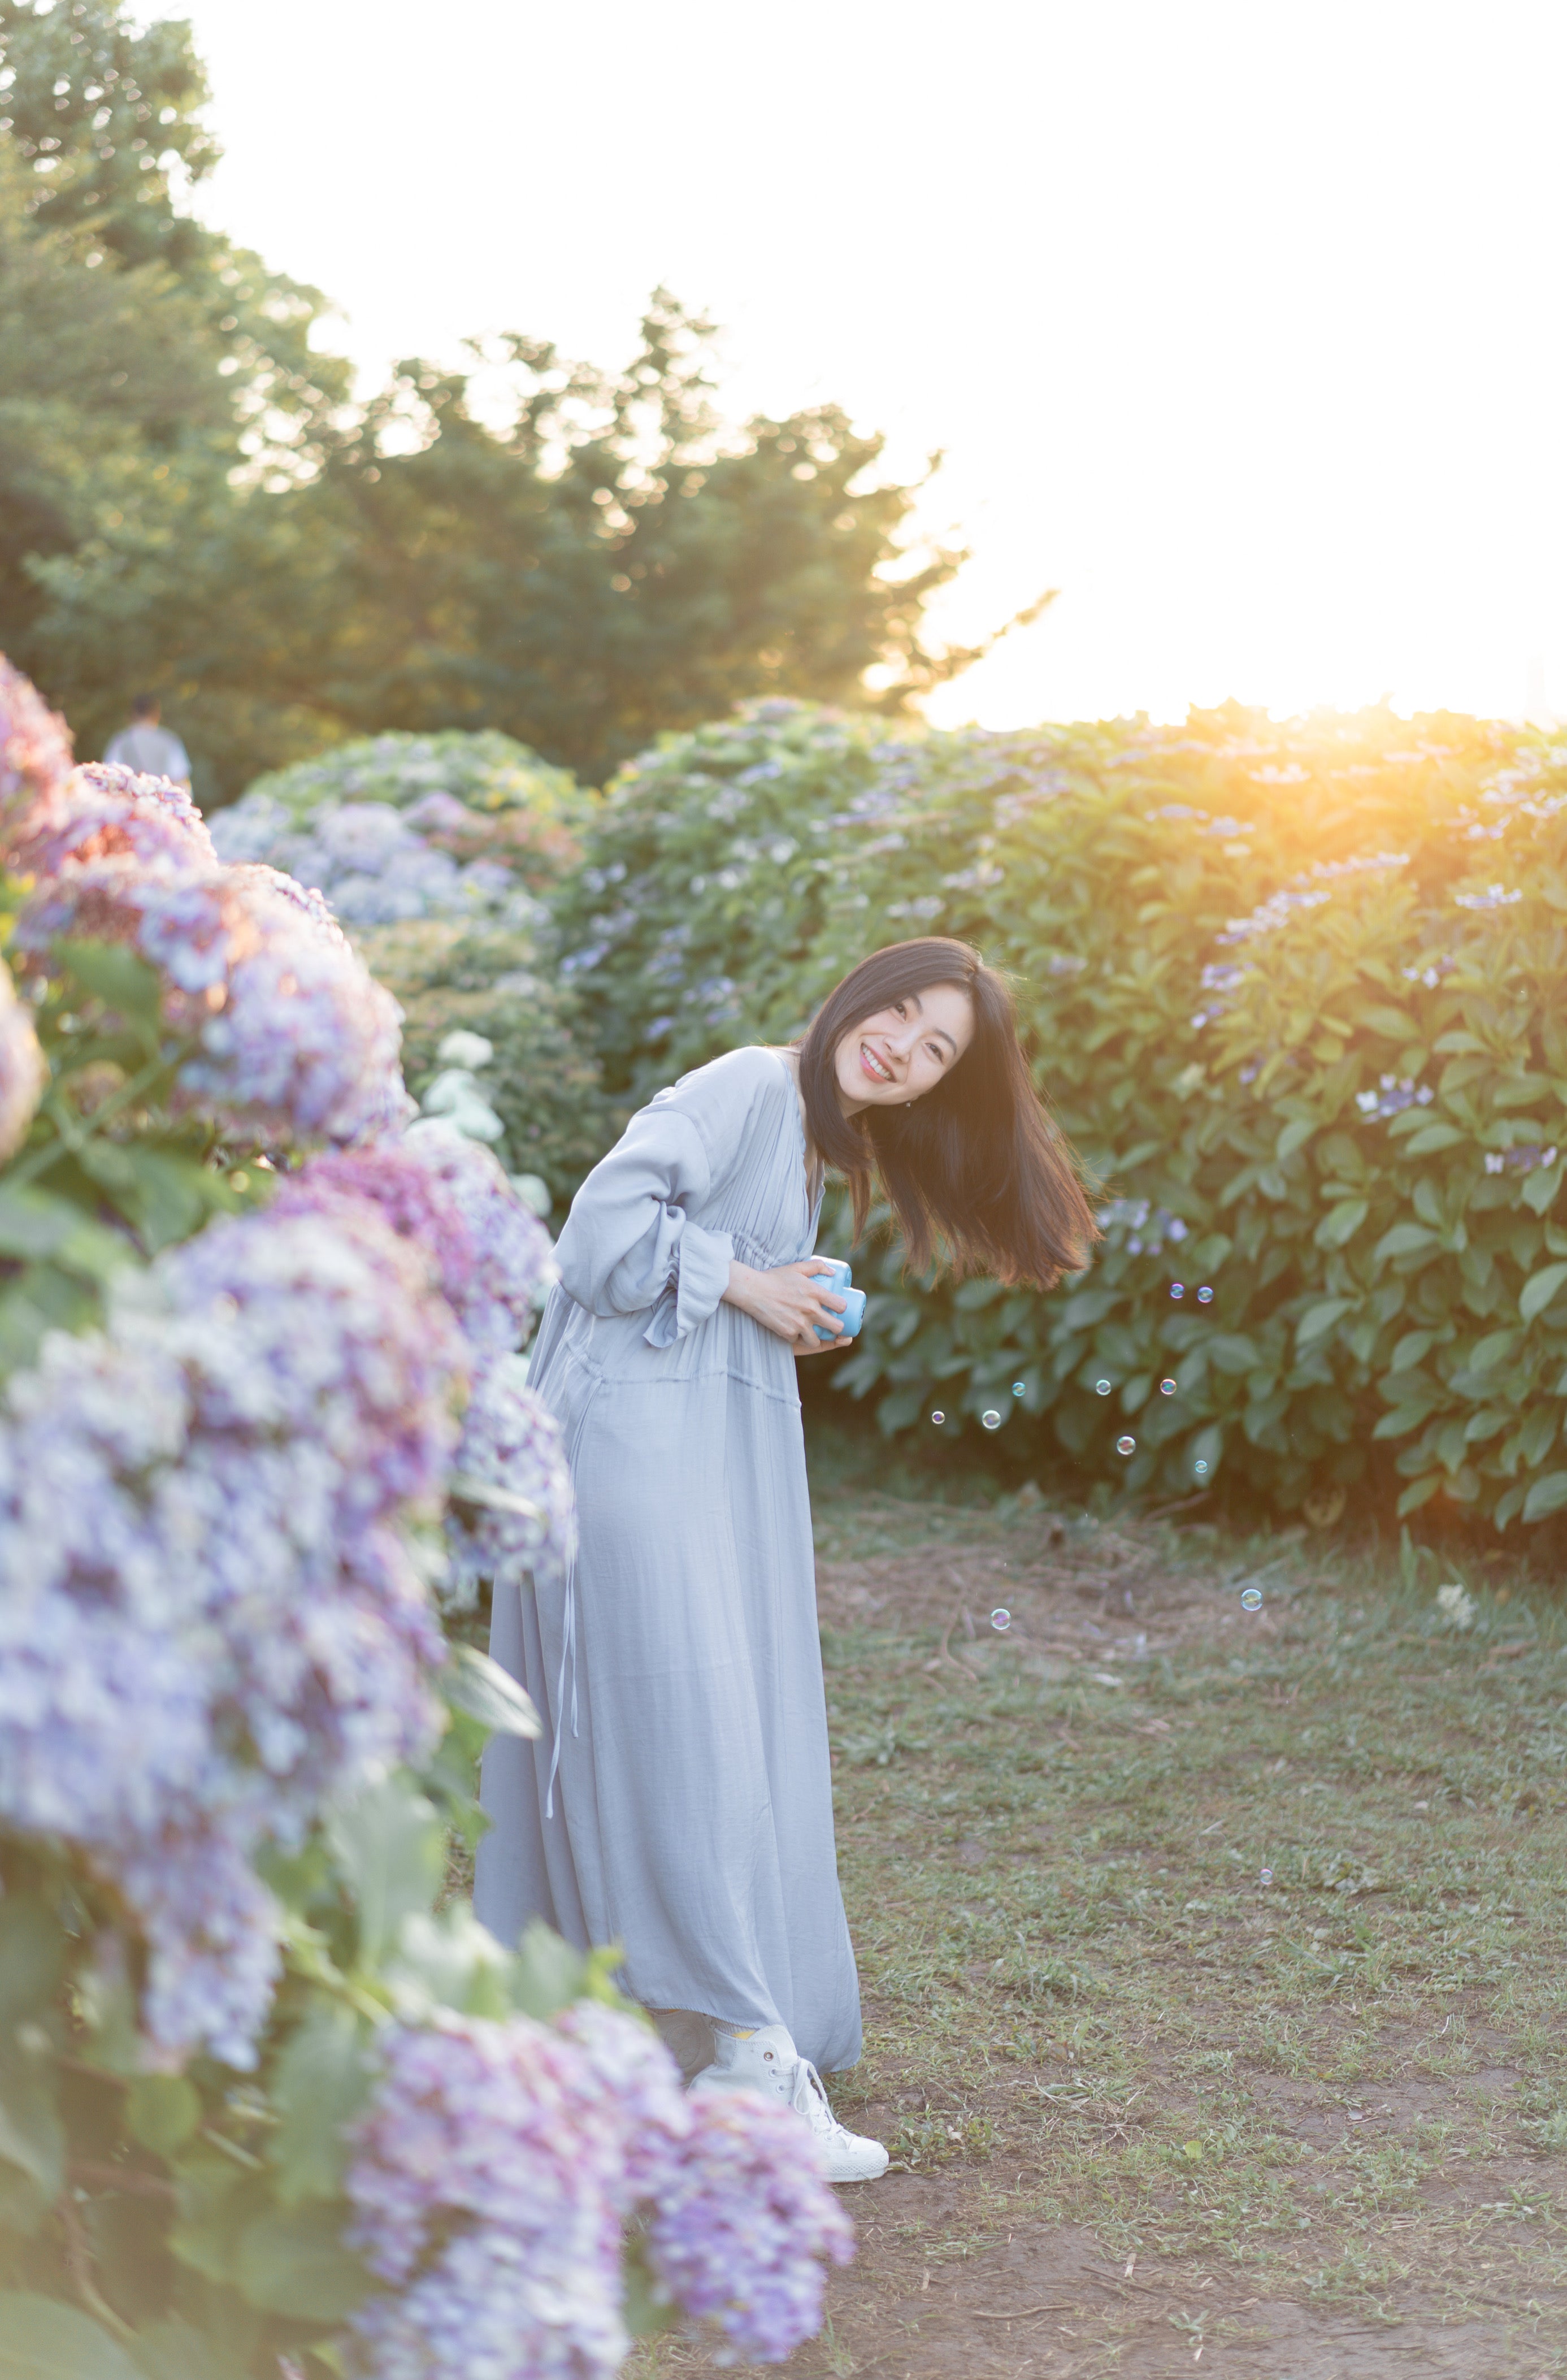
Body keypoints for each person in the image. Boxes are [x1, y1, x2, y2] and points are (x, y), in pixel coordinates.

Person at [475, 937, 1097, 2179]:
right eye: (902, 1014)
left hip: (688, 1441)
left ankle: (653, 2030)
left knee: (693, 1728)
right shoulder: (752, 1081)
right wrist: (750, 1287)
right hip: (628, 1444)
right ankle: (747, 2053)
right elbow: (597, 1234)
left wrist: (776, 1301)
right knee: (684, 1729)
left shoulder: (817, 1135)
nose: (904, 1049)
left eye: (936, 1051)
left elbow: (691, 1275)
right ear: (859, 992)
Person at [103, 695, 191, 788]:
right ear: (157, 714)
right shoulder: (169, 740)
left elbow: (109, 774)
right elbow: (181, 780)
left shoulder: (121, 740)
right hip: (160, 800)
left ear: (133, 713)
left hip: (127, 801)